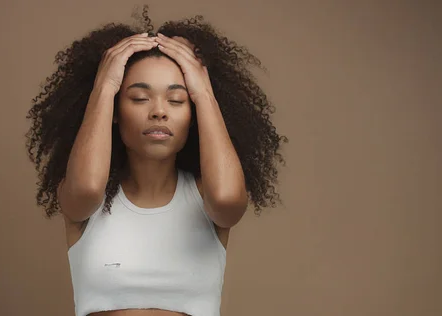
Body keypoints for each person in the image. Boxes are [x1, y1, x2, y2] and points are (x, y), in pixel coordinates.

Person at [25, 6, 286, 316]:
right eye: (138, 97)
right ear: (114, 112)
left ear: (193, 117)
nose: (159, 111)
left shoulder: (208, 198)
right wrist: (104, 86)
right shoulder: (84, 200)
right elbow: (88, 187)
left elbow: (228, 199)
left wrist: (203, 92)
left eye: (177, 100)